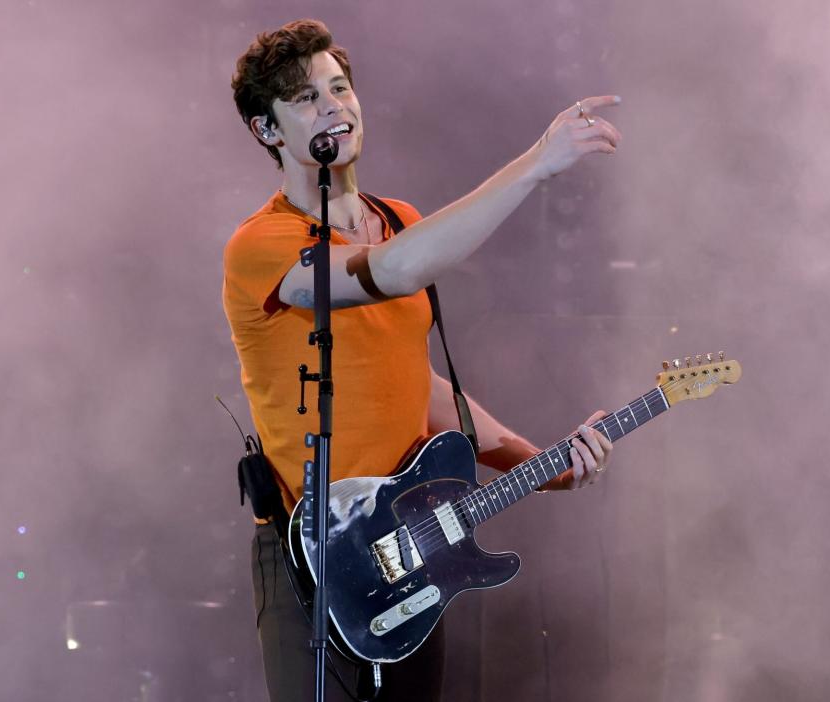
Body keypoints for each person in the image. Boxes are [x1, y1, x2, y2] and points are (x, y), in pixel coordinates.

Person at [223, 18, 619, 702]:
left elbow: (418, 382)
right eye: (307, 98)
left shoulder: (401, 217)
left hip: (407, 538)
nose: (335, 107)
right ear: (268, 131)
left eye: (340, 87)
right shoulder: (262, 243)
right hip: (313, 555)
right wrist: (537, 163)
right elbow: (393, 272)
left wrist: (540, 464)